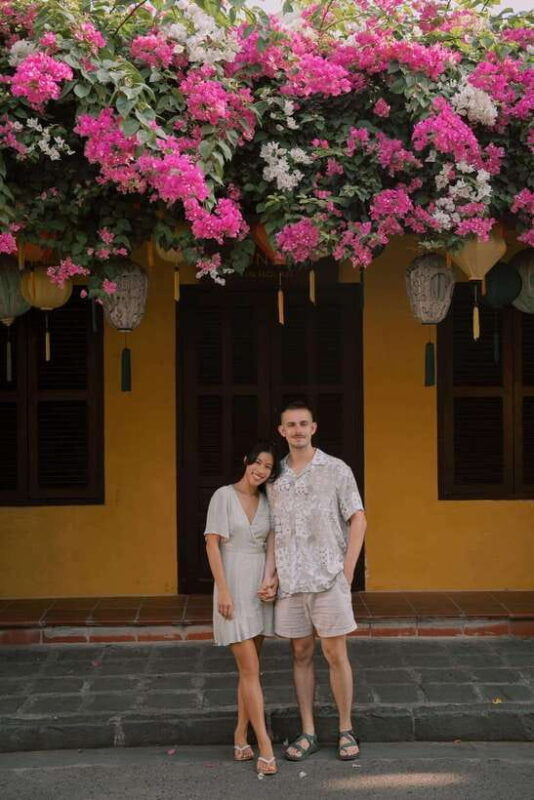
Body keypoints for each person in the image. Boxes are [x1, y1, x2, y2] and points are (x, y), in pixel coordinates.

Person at [266, 400, 366, 763]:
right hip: (292, 582)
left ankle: (344, 728)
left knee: (335, 653)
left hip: (327, 578)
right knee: (300, 653)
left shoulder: (336, 470)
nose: (296, 430)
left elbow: (358, 518)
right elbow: (274, 531)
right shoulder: (275, 477)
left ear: (314, 428)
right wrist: (271, 575)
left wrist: (348, 570)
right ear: (281, 431)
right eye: (290, 424)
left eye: (302, 423)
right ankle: (308, 731)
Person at [204, 441, 279, 776]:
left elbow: (272, 542)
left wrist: (270, 580)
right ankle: (265, 745)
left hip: (258, 590)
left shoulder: (267, 501)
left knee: (250, 672)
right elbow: (212, 544)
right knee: (250, 669)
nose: (261, 470)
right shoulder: (223, 496)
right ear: (246, 460)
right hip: (231, 584)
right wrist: (223, 590)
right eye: (257, 463)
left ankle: (239, 735)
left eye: (268, 467)